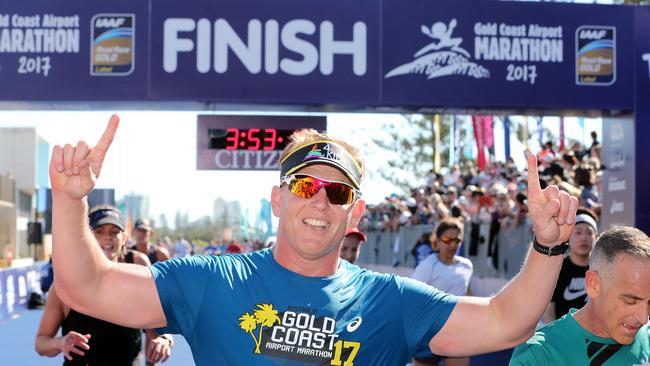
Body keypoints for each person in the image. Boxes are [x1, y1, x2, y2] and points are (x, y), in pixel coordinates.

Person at [50, 115, 578, 365]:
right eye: (305, 186)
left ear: (355, 212)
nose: (319, 202)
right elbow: (86, 287)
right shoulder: (212, 281)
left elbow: (507, 320)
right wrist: (70, 200)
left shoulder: (388, 301)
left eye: (337, 191)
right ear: (278, 199)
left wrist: (549, 245)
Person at [35, 205, 174, 365]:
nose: (107, 237)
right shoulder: (66, 284)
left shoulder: (137, 272)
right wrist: (60, 343)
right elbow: (41, 343)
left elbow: (158, 326)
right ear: (86, 238)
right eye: (99, 231)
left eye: (114, 232)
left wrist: (164, 340)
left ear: (124, 238)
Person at [510, 226, 650, 365]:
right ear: (593, 284)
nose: (644, 318)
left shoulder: (647, 335)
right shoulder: (539, 355)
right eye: (630, 301)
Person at [411, 217, 472, 366]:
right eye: (447, 239)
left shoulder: (467, 266)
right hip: (428, 334)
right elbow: (411, 297)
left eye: (457, 240)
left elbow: (466, 292)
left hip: (457, 332)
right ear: (437, 242)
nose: (452, 245)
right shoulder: (427, 266)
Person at [542, 209, 598, 323]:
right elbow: (549, 311)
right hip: (564, 335)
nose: (583, 238)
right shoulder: (557, 269)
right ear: (568, 237)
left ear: (596, 236)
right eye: (578, 232)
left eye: (589, 232)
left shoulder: (603, 268)